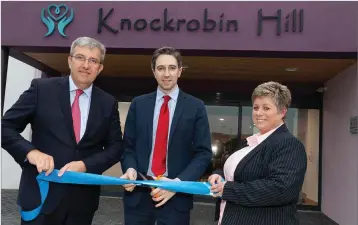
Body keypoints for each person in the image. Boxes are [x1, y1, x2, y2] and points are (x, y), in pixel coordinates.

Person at [1, 36, 123, 225]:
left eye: (93, 60)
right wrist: (30, 152)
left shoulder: (107, 103)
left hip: (81, 204)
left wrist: (85, 165)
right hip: (40, 197)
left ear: (100, 68)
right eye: (80, 57)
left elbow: (116, 148)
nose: (86, 65)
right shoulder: (41, 89)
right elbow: (5, 126)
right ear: (70, 60)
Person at [120, 46, 212, 225]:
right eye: (161, 68)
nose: (166, 74)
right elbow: (128, 147)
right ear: (154, 72)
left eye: (172, 68)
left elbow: (203, 153)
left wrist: (177, 184)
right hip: (138, 194)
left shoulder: (196, 106)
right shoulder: (138, 104)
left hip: (176, 199)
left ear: (180, 71)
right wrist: (129, 169)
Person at [208, 81, 307, 225]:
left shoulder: (289, 144)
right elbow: (236, 171)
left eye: (266, 108)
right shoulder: (249, 142)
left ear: (282, 112)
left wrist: (228, 189)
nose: (259, 113)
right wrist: (219, 174)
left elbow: (280, 189)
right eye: (255, 107)